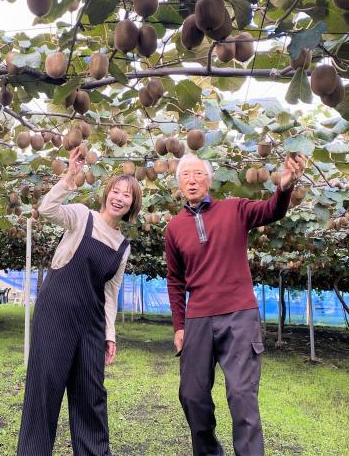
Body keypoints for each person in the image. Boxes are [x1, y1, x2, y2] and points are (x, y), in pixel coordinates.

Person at [165, 153, 306, 456]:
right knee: (191, 396)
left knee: (242, 396)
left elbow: (272, 210)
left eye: (198, 174)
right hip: (198, 319)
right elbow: (175, 280)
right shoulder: (174, 227)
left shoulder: (235, 209)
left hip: (239, 316)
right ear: (179, 183)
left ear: (210, 179)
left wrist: (284, 188)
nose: (192, 180)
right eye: (186, 175)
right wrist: (179, 326)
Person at [17, 146, 142, 456]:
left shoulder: (123, 246)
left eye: (126, 195)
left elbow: (110, 293)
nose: (119, 198)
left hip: (91, 323)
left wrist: (109, 334)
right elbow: (48, 209)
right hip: (56, 313)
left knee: (91, 394)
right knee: (45, 388)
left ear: (132, 204)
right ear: (107, 193)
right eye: (115, 191)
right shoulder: (82, 216)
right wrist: (69, 178)